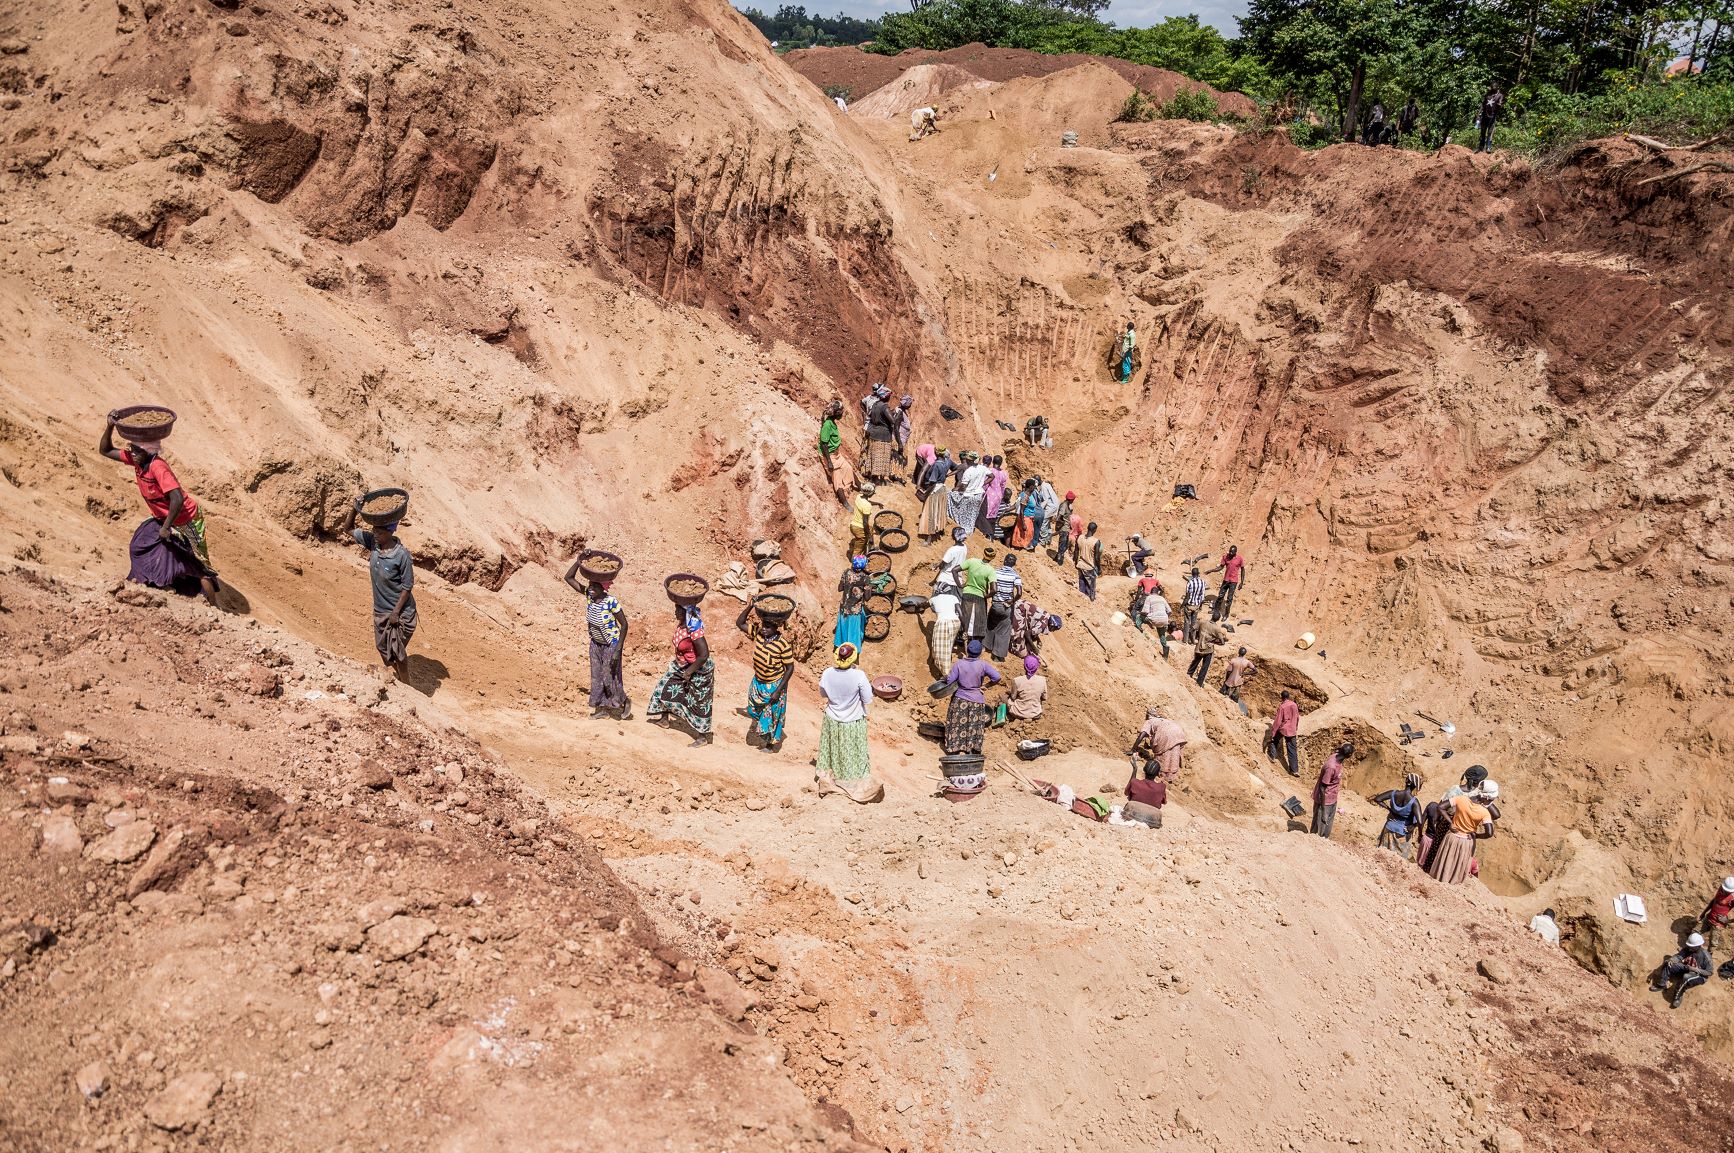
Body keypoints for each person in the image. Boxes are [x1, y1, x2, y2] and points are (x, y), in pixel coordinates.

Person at [101, 417, 219, 604]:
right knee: (140, 544)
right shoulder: (138, 461)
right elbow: (105, 450)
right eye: (131, 449)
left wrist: (166, 527)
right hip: (162, 517)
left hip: (186, 519)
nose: (132, 453)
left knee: (199, 566)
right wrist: (110, 426)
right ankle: (157, 582)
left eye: (136, 450)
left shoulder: (158, 467)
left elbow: (177, 498)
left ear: (149, 451)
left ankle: (215, 607)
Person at [815, 643, 883, 803]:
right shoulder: (859, 676)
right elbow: (867, 699)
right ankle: (850, 780)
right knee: (853, 751)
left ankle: (833, 776)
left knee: (833, 749)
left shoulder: (827, 673)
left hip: (832, 718)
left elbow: (823, 694)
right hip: (853, 721)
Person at [357, 511, 418, 679]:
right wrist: (355, 508)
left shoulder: (401, 555)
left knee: (398, 652)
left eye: (379, 532)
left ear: (390, 532)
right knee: (382, 648)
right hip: (381, 611)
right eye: (374, 530)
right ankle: (396, 679)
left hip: (400, 614)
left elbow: (407, 586)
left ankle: (407, 686)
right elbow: (347, 529)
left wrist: (396, 613)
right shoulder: (373, 544)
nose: (375, 534)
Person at [567, 559, 629, 719]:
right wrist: (578, 561)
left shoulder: (611, 602)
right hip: (595, 642)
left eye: (595, 586)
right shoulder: (589, 596)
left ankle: (623, 700)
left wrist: (618, 650)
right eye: (590, 585)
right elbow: (569, 578)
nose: (591, 589)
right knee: (596, 676)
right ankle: (602, 710)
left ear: (603, 588)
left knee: (609, 676)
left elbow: (624, 625)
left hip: (611, 643)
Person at [645, 604, 713, 746]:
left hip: (698, 669)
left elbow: (704, 655)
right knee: (664, 687)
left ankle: (702, 736)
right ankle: (664, 719)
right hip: (681, 665)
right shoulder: (683, 625)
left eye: (678, 610)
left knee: (698, 702)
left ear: (687, 612)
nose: (675, 613)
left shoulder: (694, 630)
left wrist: (689, 672)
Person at [736, 601, 794, 752]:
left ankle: (770, 744)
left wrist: (778, 691)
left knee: (773, 714)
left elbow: (789, 668)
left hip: (774, 684)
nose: (764, 629)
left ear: (776, 628)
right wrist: (750, 606)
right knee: (753, 709)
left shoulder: (783, 645)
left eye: (768, 627)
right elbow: (739, 623)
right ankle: (764, 729)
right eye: (763, 625)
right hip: (758, 682)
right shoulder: (759, 635)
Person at [1428, 782, 1497, 884]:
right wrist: (1476, 835)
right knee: (1457, 866)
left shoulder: (1461, 799)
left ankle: (1439, 882)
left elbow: (1441, 807)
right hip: (1466, 841)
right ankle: (1451, 885)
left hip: (1451, 837)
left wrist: (1451, 822)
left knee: (1444, 861)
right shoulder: (1484, 812)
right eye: (1491, 799)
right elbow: (1489, 833)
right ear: (1486, 797)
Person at [943, 639, 1000, 754]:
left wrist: (944, 678)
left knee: (957, 724)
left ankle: (955, 747)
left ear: (967, 651)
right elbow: (997, 677)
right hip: (976, 700)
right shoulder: (983, 665)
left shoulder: (959, 663)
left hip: (960, 699)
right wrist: (986, 685)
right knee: (973, 725)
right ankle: (972, 748)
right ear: (980, 653)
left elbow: (950, 681)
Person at [1651, 934, 1712, 1009]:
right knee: (1668, 963)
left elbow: (1709, 972)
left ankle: (1678, 996)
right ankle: (1661, 984)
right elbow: (1679, 956)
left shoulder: (1706, 956)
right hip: (1686, 968)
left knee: (1686, 977)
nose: (1690, 948)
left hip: (1698, 975)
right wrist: (1672, 960)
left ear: (1698, 946)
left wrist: (1695, 969)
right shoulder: (1687, 949)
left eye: (1692, 947)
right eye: (1689, 946)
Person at [1370, 773, 1422, 857]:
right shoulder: (1414, 802)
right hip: (1402, 833)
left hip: (1389, 827)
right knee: (1399, 859)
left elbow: (1377, 799)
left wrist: (1390, 809)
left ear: (1406, 781)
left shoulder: (1393, 793)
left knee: (1383, 855)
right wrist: (1414, 827)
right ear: (1415, 786)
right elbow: (1420, 821)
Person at [1131, 705, 1187, 782]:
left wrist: (1133, 749)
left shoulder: (1149, 721)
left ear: (1148, 715)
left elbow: (1142, 735)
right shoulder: (1162, 720)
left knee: (1163, 754)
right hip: (1178, 731)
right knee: (1173, 752)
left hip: (1167, 733)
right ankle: (1171, 776)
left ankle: (1162, 774)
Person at [986, 552, 1022, 660]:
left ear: (1004, 561)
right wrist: (1012, 601)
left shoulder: (996, 572)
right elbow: (1019, 593)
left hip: (996, 604)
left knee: (991, 624)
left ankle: (987, 646)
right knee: (1004, 630)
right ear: (1014, 564)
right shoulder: (1015, 575)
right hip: (1007, 606)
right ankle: (997, 656)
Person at [1312, 742, 1352, 838]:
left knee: (1327, 826)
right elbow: (1322, 788)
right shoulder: (1331, 767)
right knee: (1319, 826)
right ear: (1349, 755)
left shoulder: (1337, 757)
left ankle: (1325, 843)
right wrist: (1323, 808)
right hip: (1325, 801)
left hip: (1332, 798)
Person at [948, 451, 988, 538]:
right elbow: (992, 476)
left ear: (970, 460)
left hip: (968, 495)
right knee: (973, 513)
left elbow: (963, 486)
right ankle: (969, 529)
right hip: (978, 495)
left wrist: (957, 490)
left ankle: (962, 528)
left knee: (961, 510)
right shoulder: (982, 468)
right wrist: (982, 484)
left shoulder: (968, 471)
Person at [958, 552, 996, 642]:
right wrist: (986, 596)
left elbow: (955, 570)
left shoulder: (972, 561)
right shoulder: (990, 570)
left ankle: (960, 638)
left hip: (967, 593)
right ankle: (973, 640)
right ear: (993, 558)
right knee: (978, 618)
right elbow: (994, 590)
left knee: (965, 615)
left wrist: (959, 585)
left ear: (983, 554)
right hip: (980, 596)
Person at [917, 448, 954, 540]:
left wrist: (925, 492)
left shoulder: (936, 465)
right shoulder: (947, 463)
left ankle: (928, 539)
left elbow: (932, 482)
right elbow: (956, 468)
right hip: (942, 489)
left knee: (931, 513)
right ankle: (939, 530)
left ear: (936, 454)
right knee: (939, 511)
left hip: (935, 489)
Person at [835, 555, 871, 649]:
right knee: (853, 632)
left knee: (843, 628)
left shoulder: (846, 572)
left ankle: (841, 646)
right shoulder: (865, 578)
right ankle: (852, 650)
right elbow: (867, 598)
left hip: (844, 606)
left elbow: (840, 588)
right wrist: (868, 589)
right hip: (855, 609)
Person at [863, 391, 899, 483]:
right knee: (881, 457)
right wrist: (896, 414)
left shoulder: (875, 404)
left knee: (874, 456)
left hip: (874, 432)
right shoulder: (884, 406)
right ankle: (876, 479)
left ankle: (873, 478)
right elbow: (892, 421)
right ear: (885, 397)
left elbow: (872, 415)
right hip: (883, 435)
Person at [928, 584, 962, 674]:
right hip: (955, 623)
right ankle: (948, 670)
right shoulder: (953, 597)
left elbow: (923, 605)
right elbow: (960, 612)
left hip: (943, 624)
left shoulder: (933, 599)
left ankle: (946, 675)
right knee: (948, 645)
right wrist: (964, 629)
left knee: (940, 651)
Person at [1122, 760, 1166, 828]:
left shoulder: (1135, 782)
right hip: (1152, 820)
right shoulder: (1161, 787)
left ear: (1144, 770)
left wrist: (1135, 770)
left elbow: (1126, 793)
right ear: (1157, 774)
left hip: (1131, 814)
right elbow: (1164, 802)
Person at [1207, 545, 1246, 622]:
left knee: (1229, 599)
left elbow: (1242, 570)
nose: (1230, 553)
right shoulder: (1225, 557)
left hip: (1233, 582)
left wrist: (1242, 582)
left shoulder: (1239, 559)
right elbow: (1221, 567)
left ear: (1235, 552)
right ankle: (1216, 611)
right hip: (1226, 580)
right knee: (1220, 596)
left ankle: (1226, 614)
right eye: (1230, 551)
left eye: (1232, 552)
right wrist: (1211, 570)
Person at [1268, 689, 1300, 776]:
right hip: (1292, 730)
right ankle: (1295, 770)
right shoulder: (1294, 705)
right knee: (1292, 749)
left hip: (1284, 729)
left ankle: (1272, 756)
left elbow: (1278, 721)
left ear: (1282, 697)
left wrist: (1273, 732)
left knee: (1274, 740)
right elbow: (1297, 717)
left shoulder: (1282, 707)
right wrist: (1295, 727)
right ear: (1288, 696)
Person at [1007, 654, 1047, 720]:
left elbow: (1013, 697)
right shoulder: (1042, 680)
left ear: (1024, 667)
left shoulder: (1017, 680)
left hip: (1018, 713)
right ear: (1036, 668)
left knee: (1003, 698)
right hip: (1035, 713)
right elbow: (1044, 697)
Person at [1188, 619, 1226, 687]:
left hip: (1199, 647)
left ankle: (1188, 675)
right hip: (1208, 650)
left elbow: (1191, 630)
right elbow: (1222, 642)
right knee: (1204, 667)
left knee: (1195, 662)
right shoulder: (1216, 628)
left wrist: (1193, 641)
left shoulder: (1202, 621)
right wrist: (1213, 642)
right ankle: (1199, 683)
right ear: (1218, 619)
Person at [1701, 877, 1734, 953]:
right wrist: (1704, 912)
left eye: (1728, 891)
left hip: (1718, 924)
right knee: (1695, 931)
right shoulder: (1721, 888)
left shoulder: (1733, 898)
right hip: (1709, 917)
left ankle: (1707, 959)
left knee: (1712, 944)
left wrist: (1727, 920)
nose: (1725, 892)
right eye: (1725, 890)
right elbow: (1714, 900)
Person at [979, 455, 1009, 541]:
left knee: (985, 514)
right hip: (998, 496)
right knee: (994, 515)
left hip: (989, 495)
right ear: (1001, 463)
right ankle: (992, 534)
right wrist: (1001, 496)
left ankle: (986, 533)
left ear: (993, 462)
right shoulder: (1004, 473)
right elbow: (1003, 486)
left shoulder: (990, 471)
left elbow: (986, 484)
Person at [848, 482, 878, 558]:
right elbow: (865, 522)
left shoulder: (859, 496)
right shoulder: (867, 506)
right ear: (870, 494)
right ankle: (855, 565)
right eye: (873, 492)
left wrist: (877, 503)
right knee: (859, 548)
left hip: (853, 524)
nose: (873, 494)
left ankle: (871, 549)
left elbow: (867, 501)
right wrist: (870, 536)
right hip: (859, 528)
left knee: (870, 529)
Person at [1010, 479, 1040, 550]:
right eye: (1034, 486)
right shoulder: (1025, 496)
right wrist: (1023, 523)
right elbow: (1022, 510)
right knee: (1022, 537)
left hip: (1029, 519)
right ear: (1031, 487)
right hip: (1025, 519)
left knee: (1026, 537)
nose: (1034, 488)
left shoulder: (1030, 495)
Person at [1075, 521, 1102, 601]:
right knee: (1091, 585)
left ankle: (1082, 599)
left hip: (1080, 564)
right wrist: (1099, 568)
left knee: (1082, 583)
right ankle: (1091, 600)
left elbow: (1076, 551)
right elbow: (1097, 557)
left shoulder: (1080, 537)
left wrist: (1076, 562)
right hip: (1089, 567)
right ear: (1095, 530)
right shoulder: (1096, 541)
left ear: (1087, 528)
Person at [1142, 583, 1172, 657]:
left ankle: (1137, 628)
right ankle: (1165, 652)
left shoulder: (1149, 597)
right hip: (1164, 620)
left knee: (1139, 617)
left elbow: (1145, 611)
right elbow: (1170, 611)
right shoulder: (1162, 598)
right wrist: (1165, 617)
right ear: (1158, 592)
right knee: (1162, 635)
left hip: (1154, 619)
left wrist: (1144, 615)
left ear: (1150, 593)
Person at [818, 400, 844, 479]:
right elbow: (824, 444)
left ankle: (861, 486)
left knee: (848, 469)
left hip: (835, 453)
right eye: (840, 412)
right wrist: (829, 462)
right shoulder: (827, 425)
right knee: (837, 478)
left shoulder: (831, 422)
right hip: (829, 454)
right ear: (836, 413)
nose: (842, 414)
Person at [1181, 567, 1206, 642]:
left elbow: (1187, 597)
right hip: (1196, 606)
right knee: (1194, 624)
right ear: (1198, 574)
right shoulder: (1202, 582)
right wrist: (1200, 606)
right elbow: (1202, 597)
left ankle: (1185, 641)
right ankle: (1192, 640)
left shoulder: (1190, 582)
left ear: (1192, 574)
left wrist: (1181, 606)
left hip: (1189, 606)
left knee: (1187, 623)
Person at [1052, 491, 1077, 564]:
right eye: (1073, 499)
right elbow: (1058, 518)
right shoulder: (1064, 505)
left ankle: (1057, 559)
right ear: (1070, 499)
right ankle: (1059, 561)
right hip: (1063, 528)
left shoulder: (1068, 505)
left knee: (1065, 545)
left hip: (1066, 528)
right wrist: (1063, 523)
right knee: (1062, 545)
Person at [1477, 86, 1503, 153]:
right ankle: (1481, 147)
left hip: (1492, 117)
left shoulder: (1500, 95)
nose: (1493, 88)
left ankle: (1488, 147)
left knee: (1490, 132)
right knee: (1483, 132)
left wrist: (1499, 105)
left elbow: (1500, 103)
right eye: (1492, 87)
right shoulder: (1487, 95)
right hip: (1484, 116)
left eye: (1494, 87)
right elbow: (1483, 105)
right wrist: (1478, 114)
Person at [1035, 476, 1060, 548]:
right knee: (1047, 523)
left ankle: (1042, 541)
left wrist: (1039, 508)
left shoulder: (1043, 487)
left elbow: (1045, 500)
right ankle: (1048, 540)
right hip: (1054, 506)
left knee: (1043, 522)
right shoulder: (1046, 485)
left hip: (1050, 507)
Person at [893, 396, 914, 473]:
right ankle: (896, 477)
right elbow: (896, 427)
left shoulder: (901, 411)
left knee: (900, 458)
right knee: (898, 458)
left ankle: (898, 476)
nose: (910, 405)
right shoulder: (900, 413)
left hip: (901, 439)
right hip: (899, 439)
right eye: (910, 403)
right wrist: (900, 443)